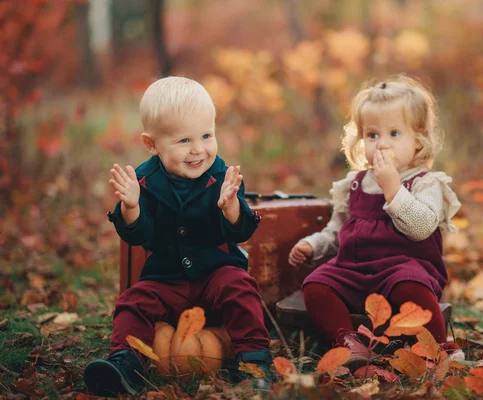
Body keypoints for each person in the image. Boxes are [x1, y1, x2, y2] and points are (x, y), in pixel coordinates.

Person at [84, 77, 273, 396]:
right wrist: (131, 207)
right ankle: (125, 363)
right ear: (152, 144)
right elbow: (139, 235)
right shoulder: (144, 181)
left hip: (216, 274)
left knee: (240, 286)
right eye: (184, 140)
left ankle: (255, 363)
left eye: (206, 135)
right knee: (133, 301)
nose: (198, 149)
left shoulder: (220, 177)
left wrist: (230, 209)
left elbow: (242, 231)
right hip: (167, 280)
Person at [288, 75, 461, 367]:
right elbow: (336, 230)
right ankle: (349, 341)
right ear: (359, 138)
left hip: (406, 268)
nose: (381, 144)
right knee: (316, 284)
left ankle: (436, 347)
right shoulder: (354, 184)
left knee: (410, 286)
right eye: (372, 135)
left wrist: (393, 188)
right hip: (355, 271)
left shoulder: (425, 183)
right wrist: (311, 246)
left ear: (418, 139)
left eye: (394, 134)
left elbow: (421, 229)